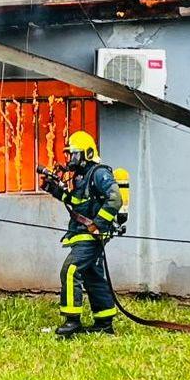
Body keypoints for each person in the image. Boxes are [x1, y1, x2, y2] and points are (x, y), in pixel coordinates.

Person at [39, 131, 123, 337]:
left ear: (86, 153)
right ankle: (104, 323)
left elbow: (115, 199)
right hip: (81, 232)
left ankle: (72, 321)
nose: (70, 159)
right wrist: (54, 190)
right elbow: (76, 203)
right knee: (92, 275)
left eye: (74, 154)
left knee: (70, 270)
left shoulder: (99, 173)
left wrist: (98, 224)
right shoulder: (80, 177)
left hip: (92, 235)